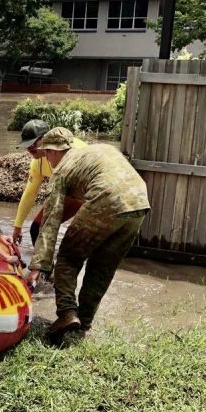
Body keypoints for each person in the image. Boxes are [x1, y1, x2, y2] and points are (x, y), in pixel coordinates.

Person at [25, 128, 150, 344]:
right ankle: (84, 322)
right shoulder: (99, 149)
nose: (46, 158)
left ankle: (66, 313)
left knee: (68, 257)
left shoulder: (62, 170)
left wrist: (39, 263)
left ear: (55, 151)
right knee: (102, 266)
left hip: (107, 197)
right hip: (139, 201)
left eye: (46, 153)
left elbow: (50, 221)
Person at [13, 119, 87, 246]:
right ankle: (42, 265)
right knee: (36, 228)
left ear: (46, 138)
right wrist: (17, 226)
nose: (29, 149)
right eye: (26, 146)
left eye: (32, 144)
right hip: (70, 193)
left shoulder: (73, 151)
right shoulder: (37, 162)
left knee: (76, 237)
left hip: (90, 192)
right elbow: (30, 194)